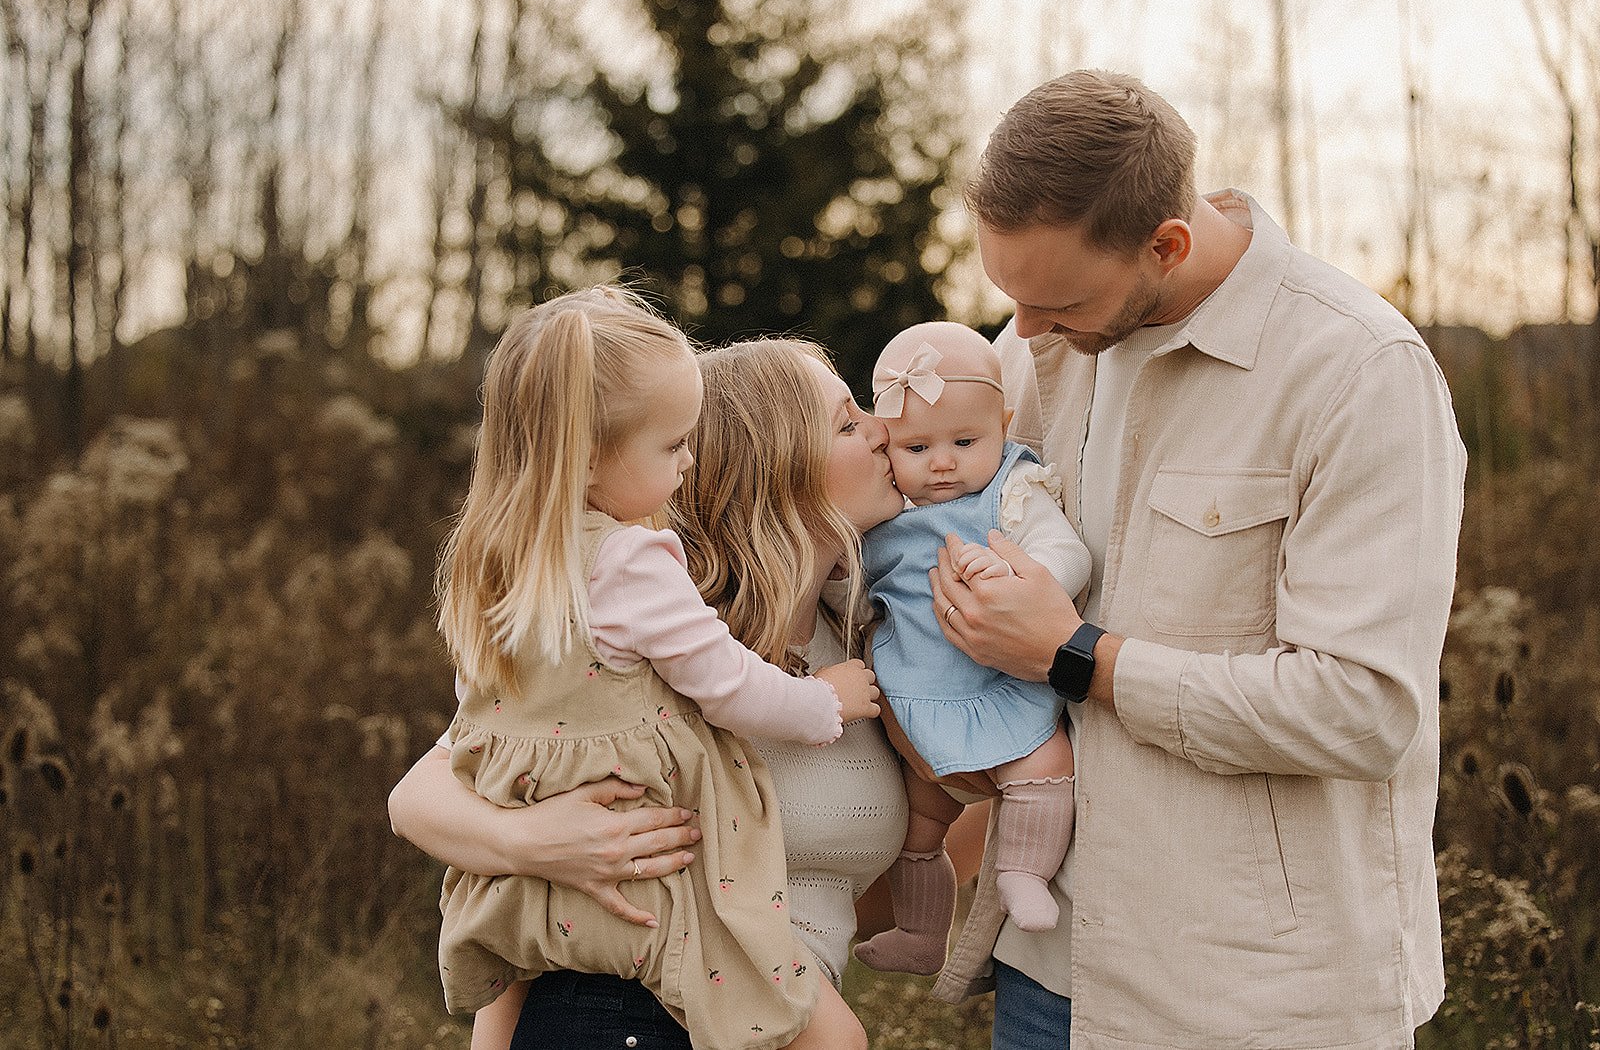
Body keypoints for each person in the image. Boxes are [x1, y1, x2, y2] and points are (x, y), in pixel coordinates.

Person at [926, 70, 1466, 1050]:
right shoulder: (1032, 346)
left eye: (1058, 300)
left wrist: (1075, 653)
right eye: (1010, 297)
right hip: (1050, 975)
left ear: (1165, 245)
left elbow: (1362, 710)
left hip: (1253, 998)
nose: (1027, 330)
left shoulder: (1356, 372)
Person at [389, 334, 910, 1050]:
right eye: (849, 423)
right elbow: (428, 792)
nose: (885, 430)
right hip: (633, 1014)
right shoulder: (659, 638)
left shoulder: (863, 638)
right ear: (774, 470)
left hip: (762, 1018)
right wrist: (531, 841)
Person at [852, 322, 1091, 978]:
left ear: (1004, 424)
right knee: (917, 829)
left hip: (1000, 687)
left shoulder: (1013, 491)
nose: (943, 462)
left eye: (964, 441)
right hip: (917, 694)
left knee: (1046, 768)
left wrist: (1018, 576)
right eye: (917, 445)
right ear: (882, 439)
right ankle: (922, 934)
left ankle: (1022, 872)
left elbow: (1066, 554)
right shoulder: (880, 507)